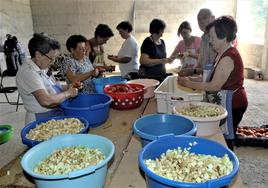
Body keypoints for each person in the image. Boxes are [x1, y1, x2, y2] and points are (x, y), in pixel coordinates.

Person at [177, 16, 248, 150]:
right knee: (221, 134)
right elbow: (210, 77)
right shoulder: (221, 53)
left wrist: (188, 84)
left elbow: (214, 86)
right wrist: (193, 79)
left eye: (212, 37)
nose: (210, 41)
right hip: (226, 100)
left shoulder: (229, 56)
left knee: (227, 138)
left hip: (234, 103)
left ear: (223, 37)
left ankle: (228, 160)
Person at [16, 33, 78, 124]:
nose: (53, 62)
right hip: (40, 117)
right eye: (51, 58)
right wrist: (68, 93)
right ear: (38, 55)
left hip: (53, 112)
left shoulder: (42, 66)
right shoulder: (28, 72)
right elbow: (46, 101)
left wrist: (69, 86)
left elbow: (53, 85)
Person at [179, 8, 216, 76]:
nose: (201, 21)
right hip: (205, 79)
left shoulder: (217, 38)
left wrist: (193, 71)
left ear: (213, 18)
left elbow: (213, 66)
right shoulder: (203, 39)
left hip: (217, 82)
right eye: (199, 19)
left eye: (204, 18)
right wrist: (191, 72)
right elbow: (201, 62)